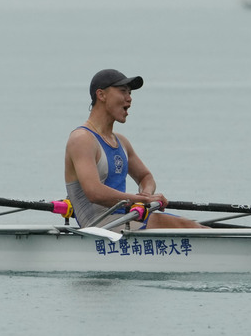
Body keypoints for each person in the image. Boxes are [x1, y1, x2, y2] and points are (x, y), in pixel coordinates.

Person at [64, 69, 205, 230]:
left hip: (123, 218)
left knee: (193, 225)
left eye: (130, 93)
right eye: (123, 92)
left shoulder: (121, 142)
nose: (129, 99)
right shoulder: (82, 139)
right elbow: (94, 192)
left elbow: (146, 176)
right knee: (183, 225)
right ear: (101, 95)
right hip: (98, 225)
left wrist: (146, 193)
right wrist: (139, 200)